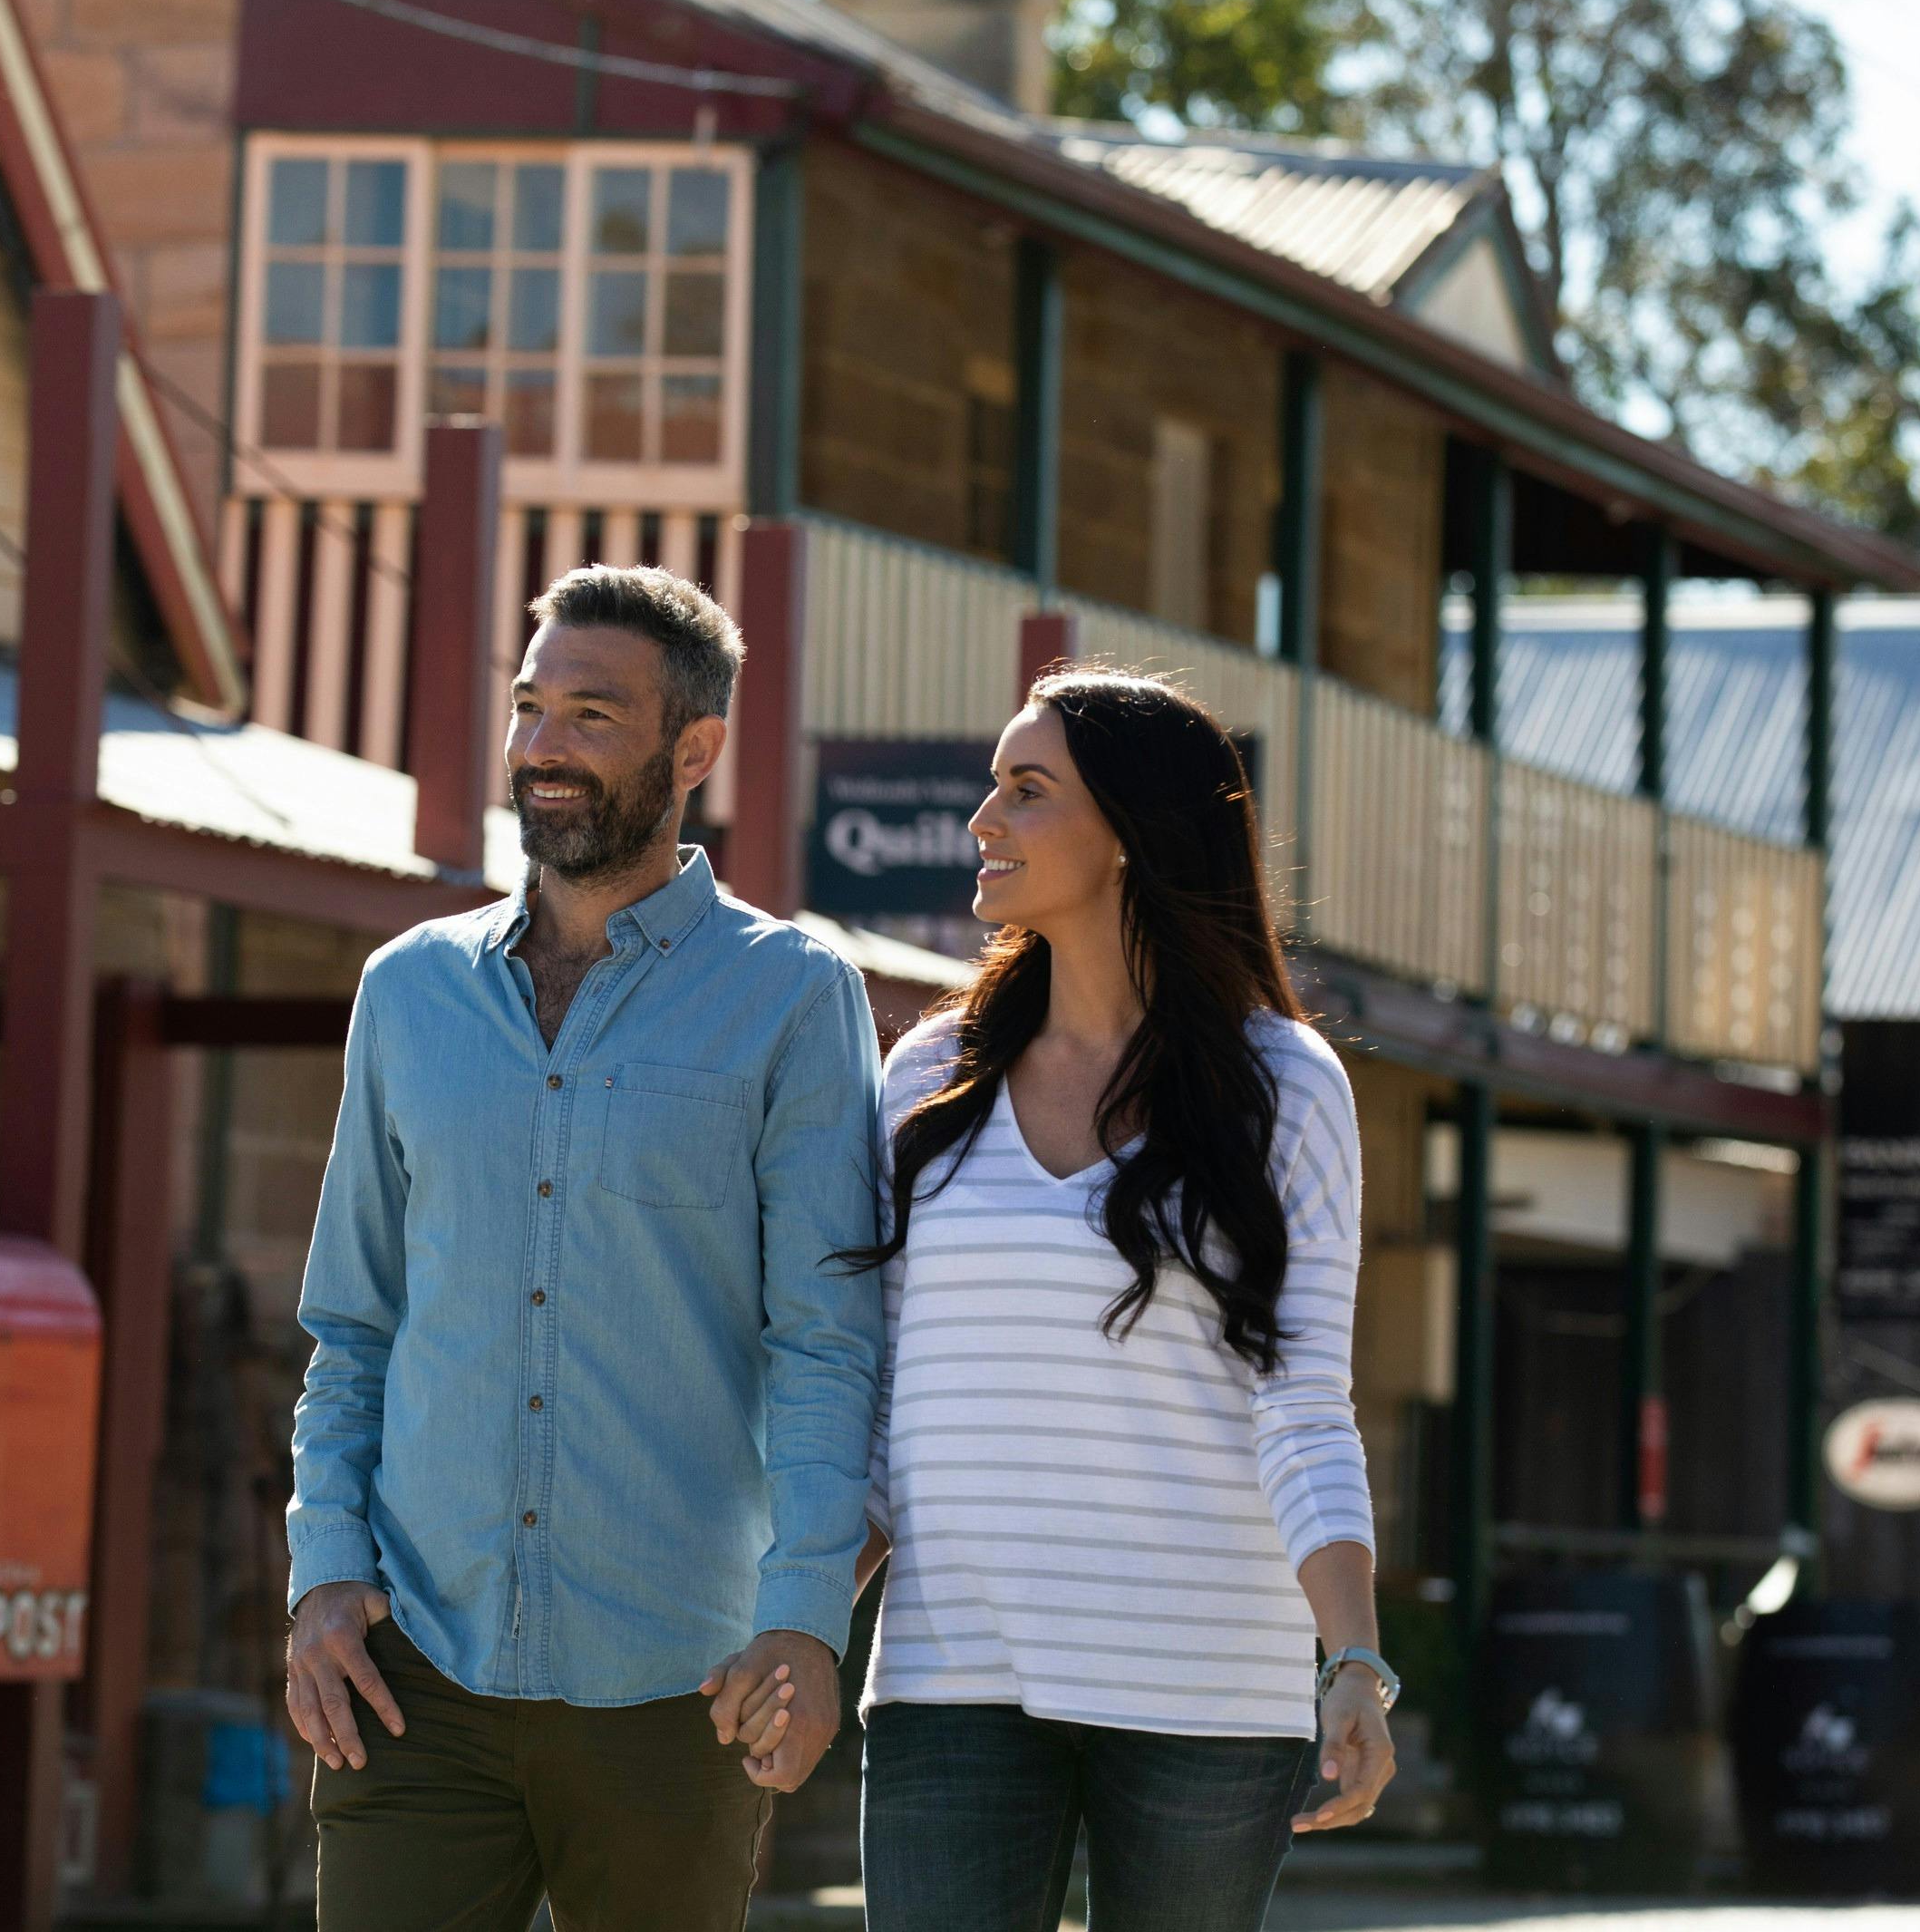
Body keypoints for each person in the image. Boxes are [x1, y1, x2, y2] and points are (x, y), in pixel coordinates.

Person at [284, 564, 884, 1932]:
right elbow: (354, 1331)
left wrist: (802, 1617)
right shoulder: (407, 993)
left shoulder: (793, 1000)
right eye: (528, 707)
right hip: (411, 1675)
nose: (541, 747)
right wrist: (323, 1574)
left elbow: (828, 1343)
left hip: (677, 1687)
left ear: (695, 751)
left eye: (590, 715)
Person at [819, 668, 1397, 1932]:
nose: (983, 821)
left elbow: (1303, 1403)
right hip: (951, 1674)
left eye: (1028, 791)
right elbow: (883, 1398)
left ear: (1132, 836)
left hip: (1206, 1692)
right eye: (992, 786)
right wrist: (803, 1626)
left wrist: (1352, 1656)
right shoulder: (929, 1075)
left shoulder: (1282, 1087)